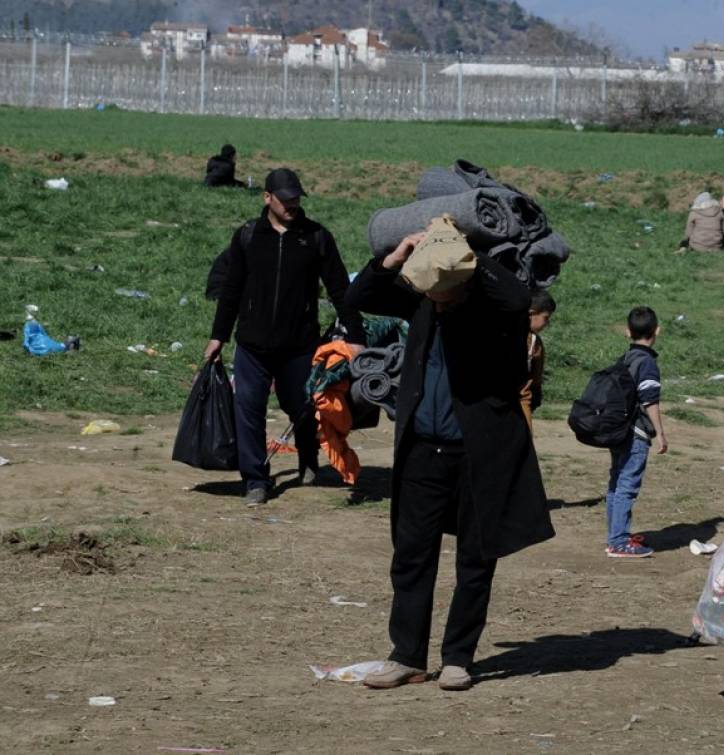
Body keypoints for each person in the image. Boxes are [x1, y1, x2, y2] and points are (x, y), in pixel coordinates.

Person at [344, 231, 555, 691]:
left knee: (476, 560)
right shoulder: (423, 303)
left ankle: (459, 657)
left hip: (478, 454)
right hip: (423, 450)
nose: (436, 302)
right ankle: (407, 657)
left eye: (444, 292)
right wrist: (398, 256)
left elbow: (519, 297)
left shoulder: (494, 311)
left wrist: (465, 257)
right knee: (412, 556)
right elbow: (358, 294)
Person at [205, 168, 365, 505]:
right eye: (285, 199)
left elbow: (340, 289)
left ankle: (308, 456)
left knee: (301, 408)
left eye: (296, 198)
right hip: (251, 344)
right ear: (267, 198)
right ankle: (255, 481)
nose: (292, 204)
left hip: (299, 345)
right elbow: (231, 290)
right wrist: (218, 336)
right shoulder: (248, 236)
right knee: (248, 408)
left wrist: (356, 335)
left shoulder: (316, 237)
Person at [606, 306, 669, 558]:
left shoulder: (626, 358)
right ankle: (619, 542)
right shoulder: (647, 363)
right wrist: (660, 432)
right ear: (657, 331)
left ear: (627, 332)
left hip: (618, 431)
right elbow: (649, 400)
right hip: (637, 433)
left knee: (616, 481)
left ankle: (614, 536)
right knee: (627, 485)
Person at [519, 289, 556, 429]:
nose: (547, 323)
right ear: (531, 313)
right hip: (520, 405)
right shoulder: (533, 342)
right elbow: (536, 376)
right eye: (546, 318)